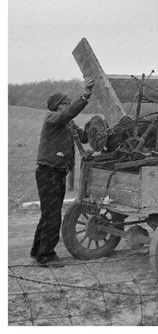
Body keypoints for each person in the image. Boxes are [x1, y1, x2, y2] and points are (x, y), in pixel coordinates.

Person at [30, 77, 94, 266]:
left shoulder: (68, 124)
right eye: (65, 104)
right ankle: (46, 256)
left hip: (58, 173)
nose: (67, 107)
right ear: (57, 106)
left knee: (48, 213)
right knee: (53, 215)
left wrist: (97, 128)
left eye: (68, 103)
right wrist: (85, 96)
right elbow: (67, 115)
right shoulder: (52, 118)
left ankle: (37, 251)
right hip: (48, 172)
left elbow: (84, 138)